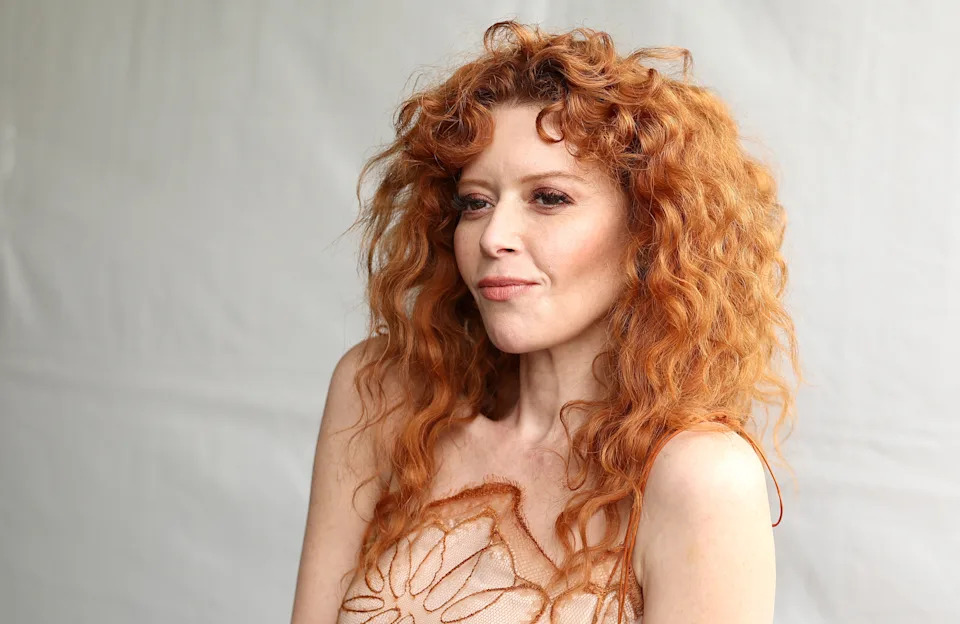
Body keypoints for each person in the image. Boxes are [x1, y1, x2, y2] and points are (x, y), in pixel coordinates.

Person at [291, 19, 801, 624]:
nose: (493, 237)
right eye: (475, 203)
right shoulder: (382, 393)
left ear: (650, 230)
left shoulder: (698, 477)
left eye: (549, 198)